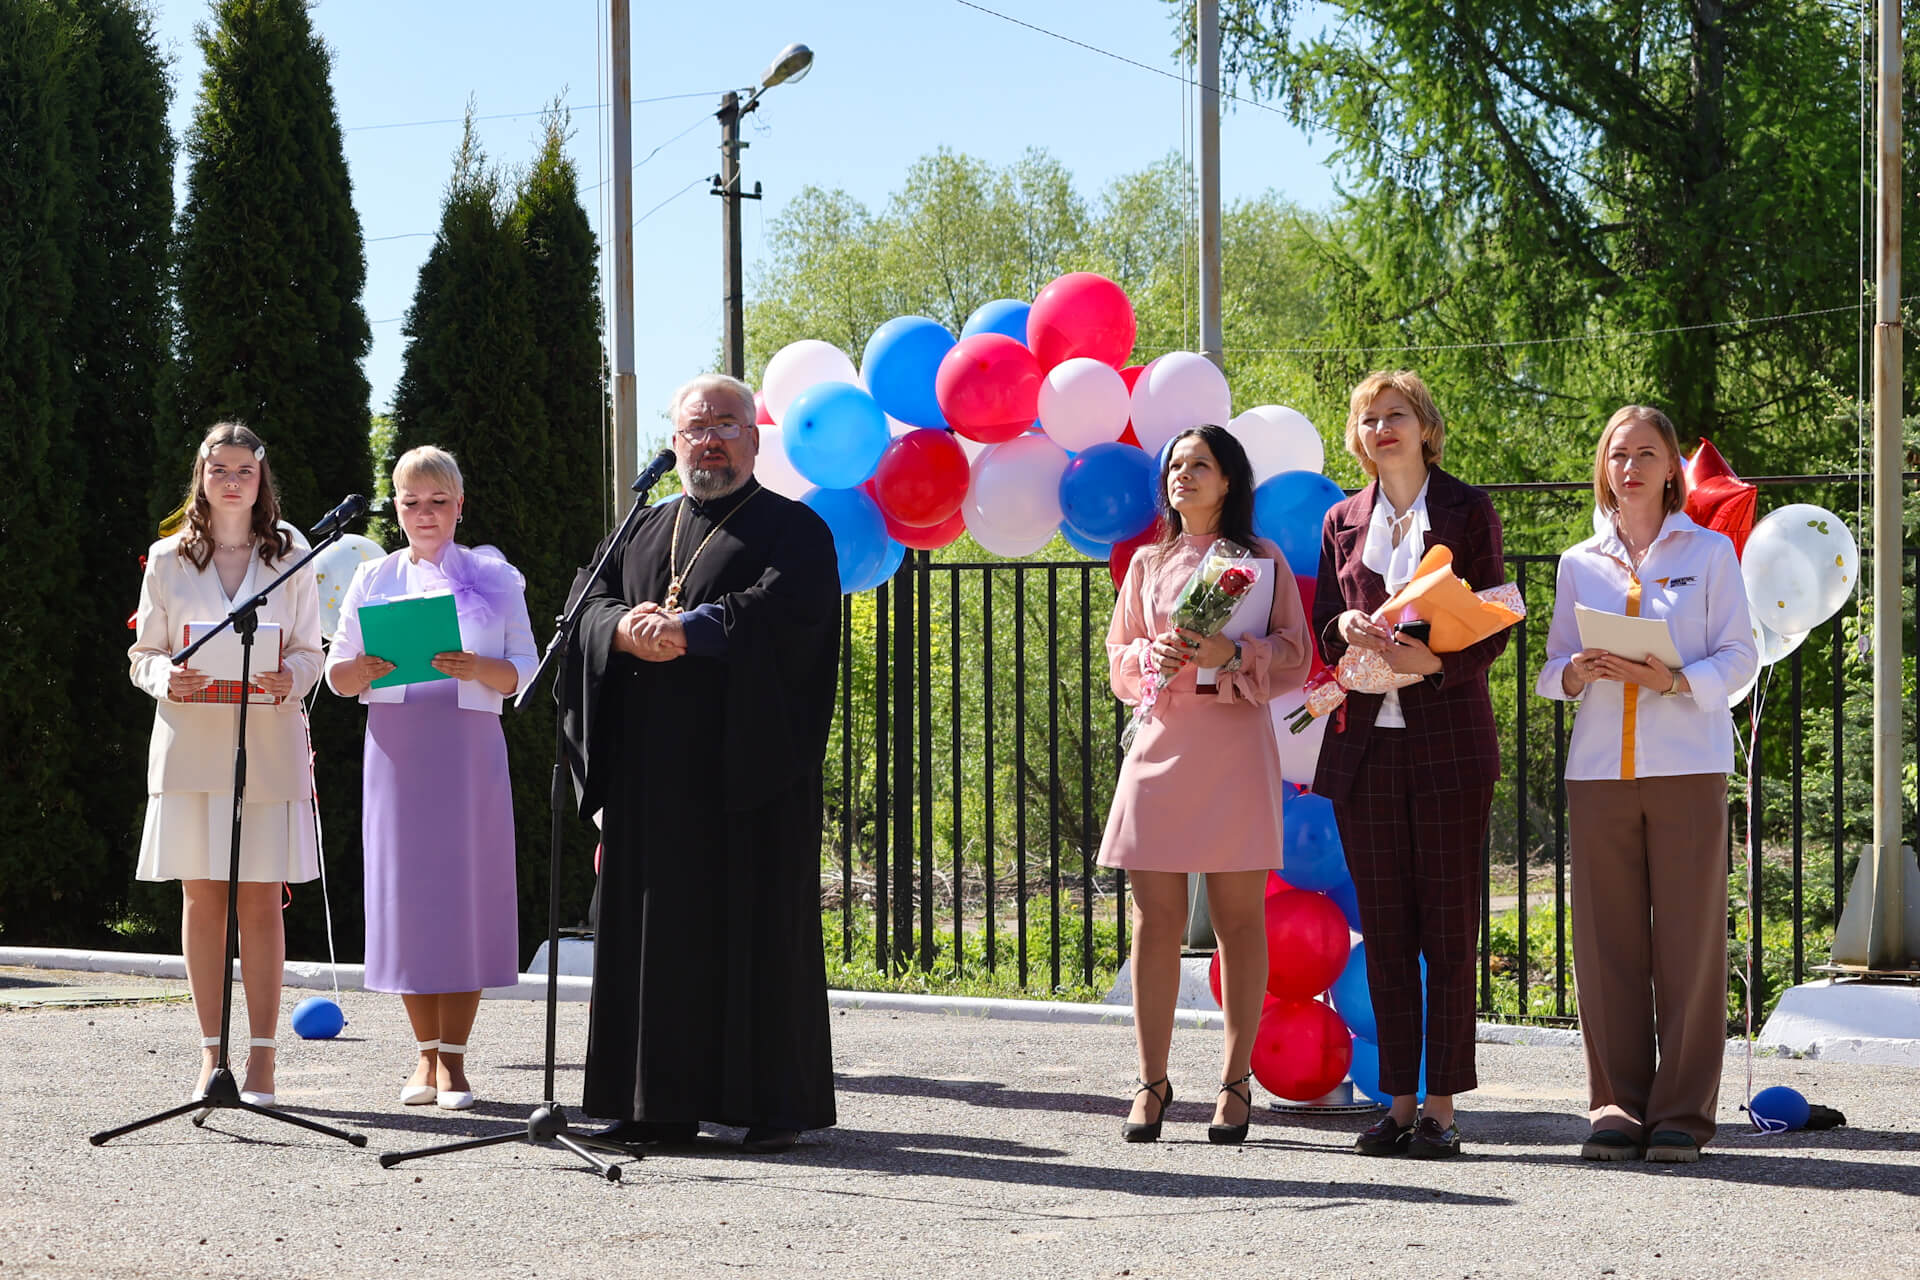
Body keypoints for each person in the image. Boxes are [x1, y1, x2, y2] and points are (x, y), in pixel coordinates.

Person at [561, 372, 841, 1154]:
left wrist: (695, 629)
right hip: (652, 777)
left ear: (753, 439)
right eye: (694, 426)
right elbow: (584, 604)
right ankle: (652, 1102)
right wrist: (621, 630)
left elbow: (791, 611)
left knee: (752, 930)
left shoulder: (795, 529)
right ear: (675, 440)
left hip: (749, 769)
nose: (708, 437)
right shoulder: (642, 528)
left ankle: (765, 1104)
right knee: (654, 937)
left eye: (725, 423)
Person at [1536, 405, 1756, 1164]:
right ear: (1604, 468)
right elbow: (1551, 667)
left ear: (1672, 470)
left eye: (1645, 454)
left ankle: (1682, 1114)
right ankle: (1617, 1105)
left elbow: (1740, 657)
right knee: (1604, 943)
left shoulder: (1712, 552)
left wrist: (1674, 678)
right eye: (1616, 454)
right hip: (1599, 771)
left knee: (1691, 944)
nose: (1628, 467)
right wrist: (1574, 671)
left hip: (1687, 766)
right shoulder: (1577, 562)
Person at [1098, 425, 1313, 1145]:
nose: (1183, 475)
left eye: (1200, 465)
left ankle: (1234, 1084)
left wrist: (1233, 650)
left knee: (1238, 920)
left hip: (1233, 740)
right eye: (1175, 465)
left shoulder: (1261, 560)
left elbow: (1295, 653)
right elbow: (1117, 657)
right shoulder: (1146, 564)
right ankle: (1151, 1082)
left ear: (1229, 481)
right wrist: (1145, 652)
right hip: (1161, 742)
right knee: (1154, 921)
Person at [1311, 370, 1507, 1159]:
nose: (1381, 428)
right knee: (1386, 930)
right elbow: (1325, 623)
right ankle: (1395, 1105)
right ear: (1357, 438)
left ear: (1427, 427)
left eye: (1396, 415)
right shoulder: (1340, 520)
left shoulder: (1467, 508)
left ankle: (1442, 1110)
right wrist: (1347, 624)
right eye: (1367, 418)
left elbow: (1497, 618)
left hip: (1449, 745)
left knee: (1449, 930)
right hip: (1366, 748)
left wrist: (1432, 664)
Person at [326, 446, 533, 1111]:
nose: (424, 514)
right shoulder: (372, 580)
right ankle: (422, 1058)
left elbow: (524, 671)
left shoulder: (499, 579)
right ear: (396, 507)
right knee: (409, 899)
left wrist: (478, 667)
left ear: (459, 505)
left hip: (468, 748)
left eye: (437, 501)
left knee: (464, 896)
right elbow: (337, 675)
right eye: (410, 502)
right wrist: (367, 671)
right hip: (398, 752)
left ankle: (457, 1063)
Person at [130, 422, 323, 1108]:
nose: (233, 481)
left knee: (261, 902)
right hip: (192, 744)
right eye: (220, 471)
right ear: (201, 477)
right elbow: (145, 651)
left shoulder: (295, 550)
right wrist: (163, 679)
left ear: (261, 477)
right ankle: (212, 1054)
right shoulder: (166, 557)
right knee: (202, 899)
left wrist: (290, 678)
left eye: (244, 470)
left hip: (265, 744)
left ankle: (264, 1058)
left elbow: (309, 649)